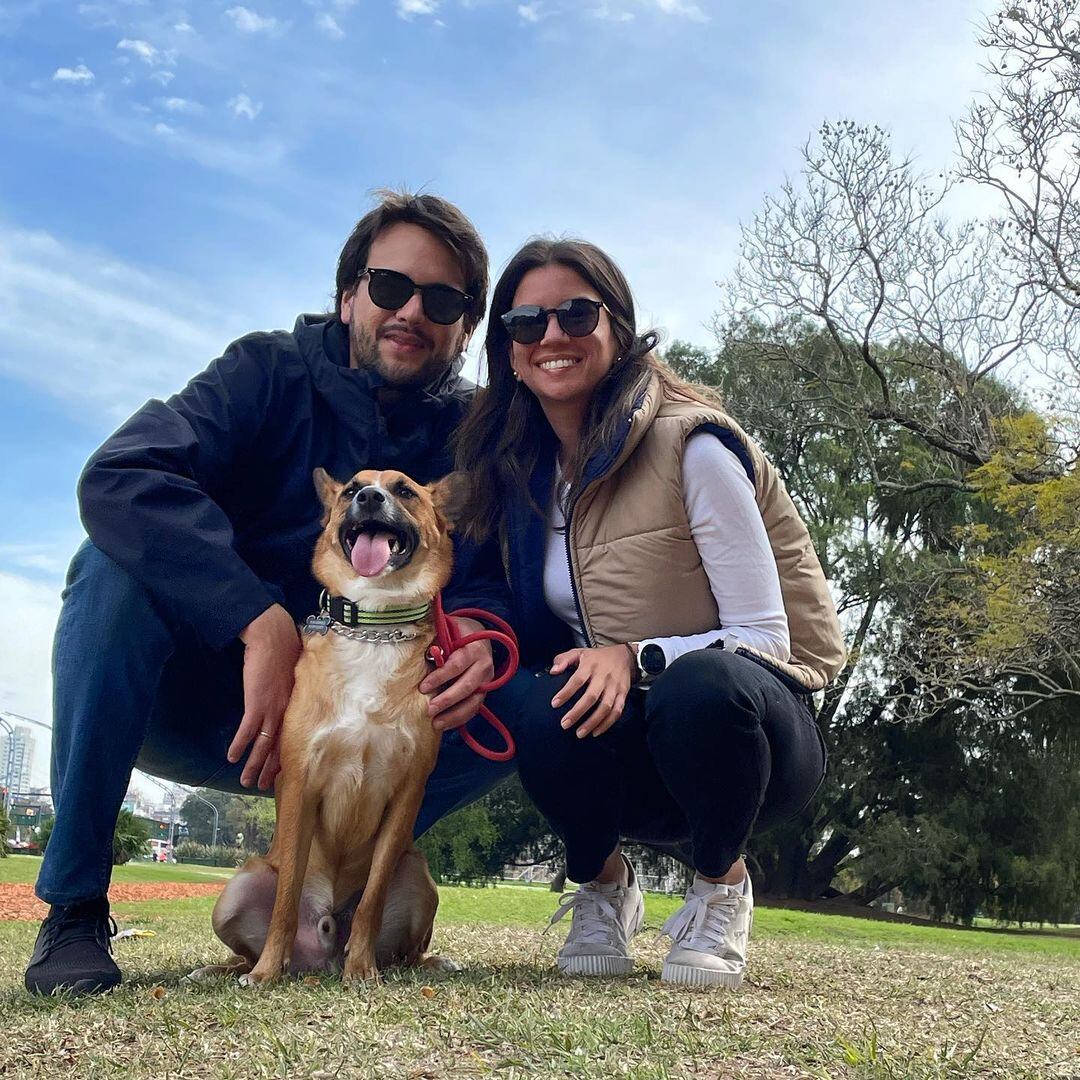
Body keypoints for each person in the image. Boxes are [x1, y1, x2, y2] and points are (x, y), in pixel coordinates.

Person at [25, 191, 515, 996]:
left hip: (395, 717)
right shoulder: (263, 372)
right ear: (348, 293)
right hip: (225, 716)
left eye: (444, 300)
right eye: (390, 287)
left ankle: (359, 876)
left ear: (465, 327)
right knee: (108, 570)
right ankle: (75, 906)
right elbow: (120, 476)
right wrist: (255, 618)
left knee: (534, 688)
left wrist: (490, 639)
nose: (412, 312)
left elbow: (502, 573)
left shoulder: (473, 434)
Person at [452, 238, 846, 988]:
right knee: (535, 698)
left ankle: (720, 887)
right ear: (508, 351)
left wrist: (633, 655)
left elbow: (767, 638)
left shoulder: (691, 444)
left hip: (748, 740)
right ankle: (604, 887)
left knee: (698, 685)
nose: (553, 335)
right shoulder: (517, 476)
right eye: (527, 321)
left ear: (619, 330)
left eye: (577, 312)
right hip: (627, 749)